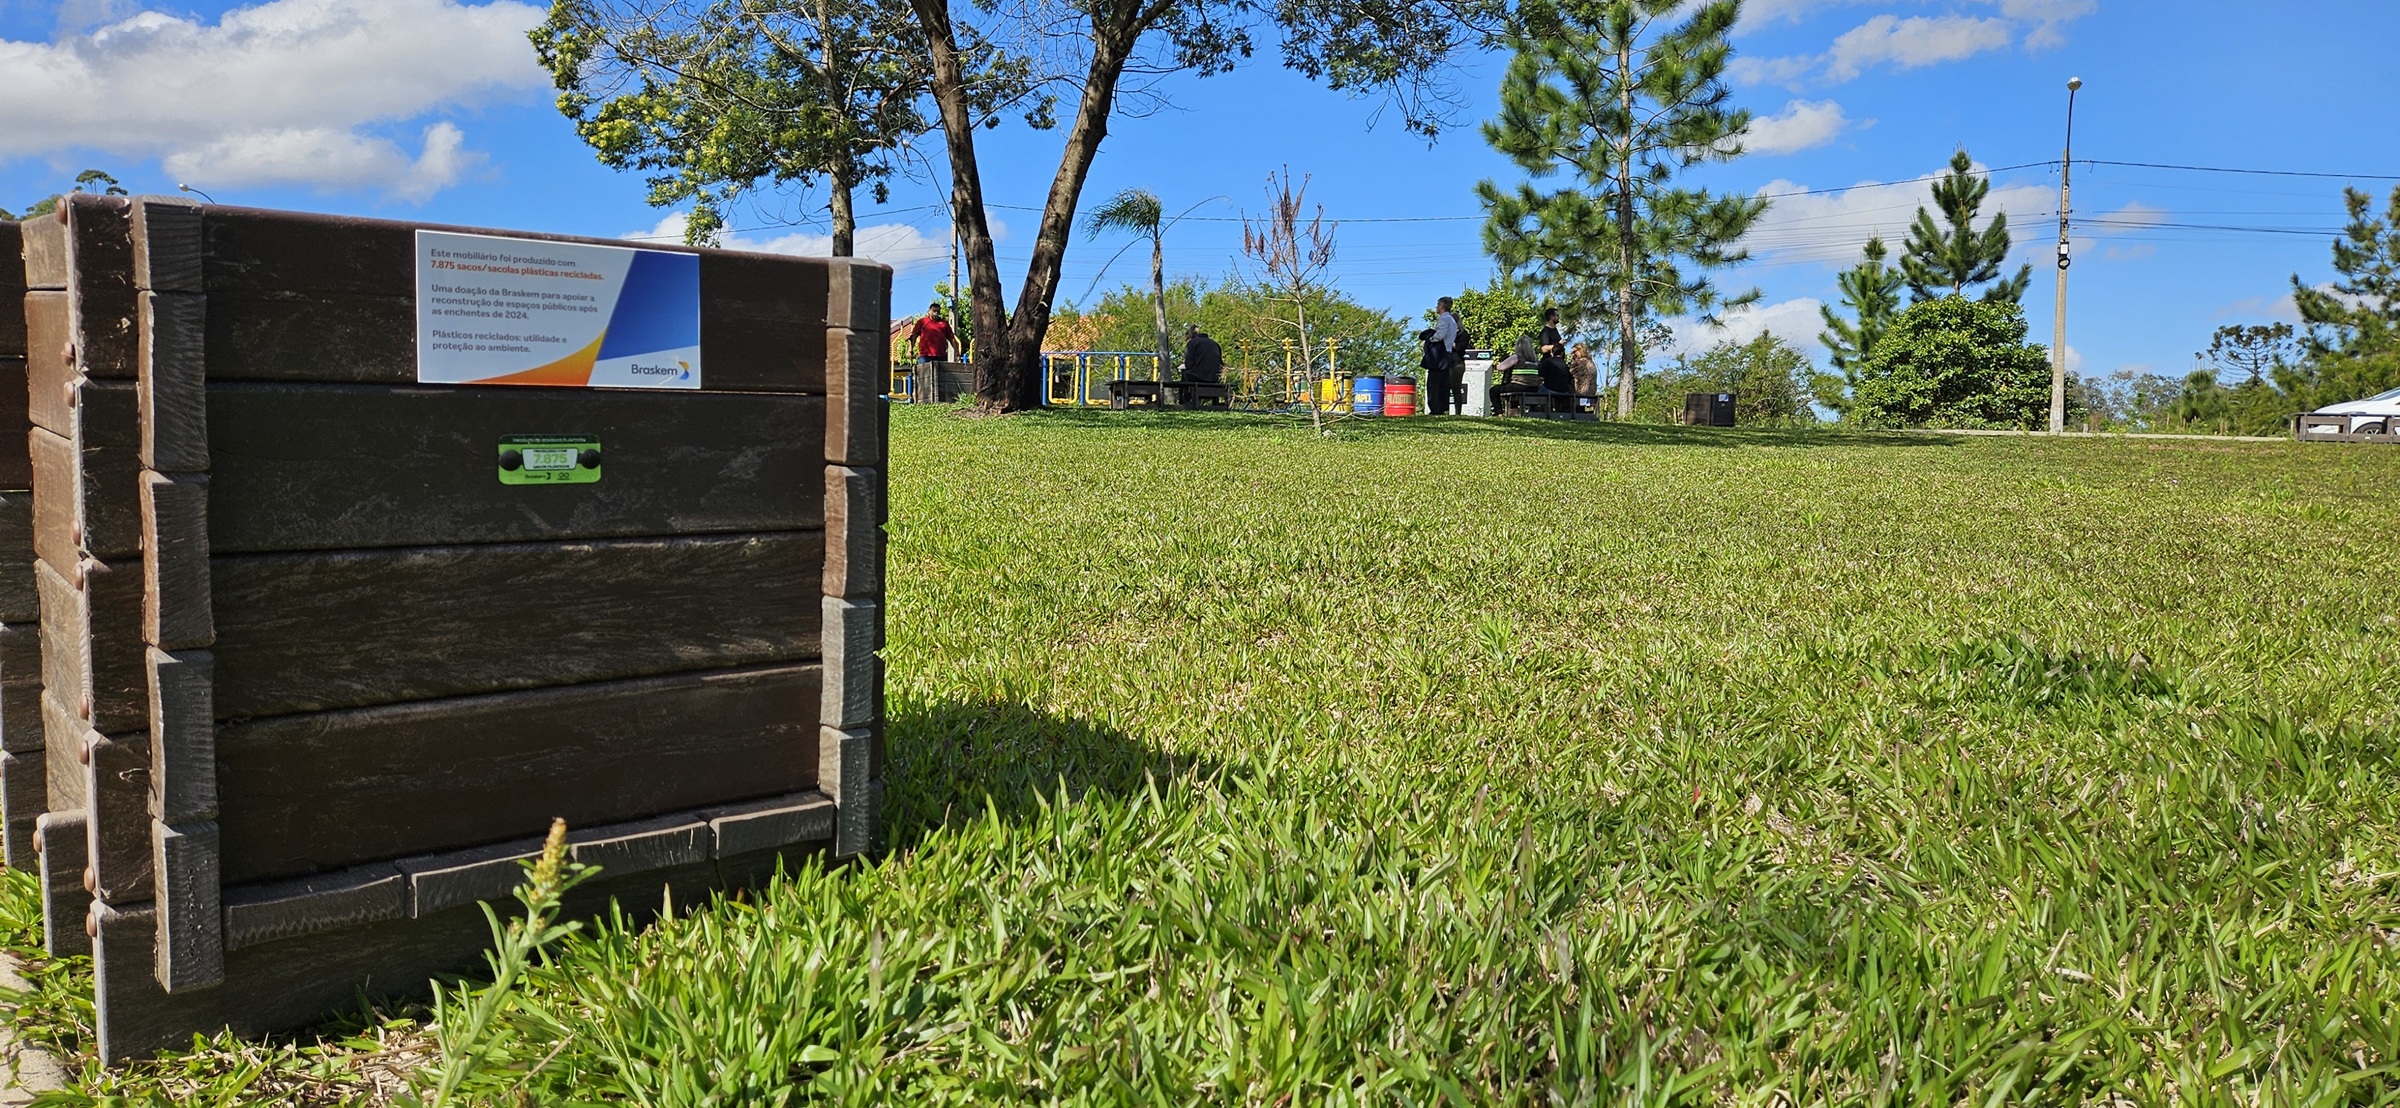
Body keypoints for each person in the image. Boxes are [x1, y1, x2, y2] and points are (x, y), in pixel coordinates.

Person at [1429, 296, 1463, 415]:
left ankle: (1435, 408)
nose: (1436, 307)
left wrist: (1430, 339)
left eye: (1438, 305)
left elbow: (1440, 335)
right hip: (1447, 353)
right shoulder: (1452, 320)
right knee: (1444, 383)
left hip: (1439, 354)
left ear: (1442, 306)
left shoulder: (1444, 318)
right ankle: (1443, 407)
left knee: (1434, 382)